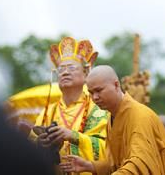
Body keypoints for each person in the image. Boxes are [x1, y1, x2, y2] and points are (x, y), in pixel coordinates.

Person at [60, 65, 165, 174]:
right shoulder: (112, 117)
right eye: (91, 93)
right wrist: (90, 166)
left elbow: (139, 164)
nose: (95, 97)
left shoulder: (139, 116)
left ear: (116, 85)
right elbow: (117, 164)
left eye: (99, 90)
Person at [30, 37, 108, 174]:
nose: (65, 72)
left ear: (86, 74)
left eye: (71, 68)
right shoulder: (48, 112)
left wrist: (73, 136)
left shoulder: (97, 109)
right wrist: (40, 144)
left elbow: (106, 148)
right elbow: (28, 145)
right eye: (61, 69)